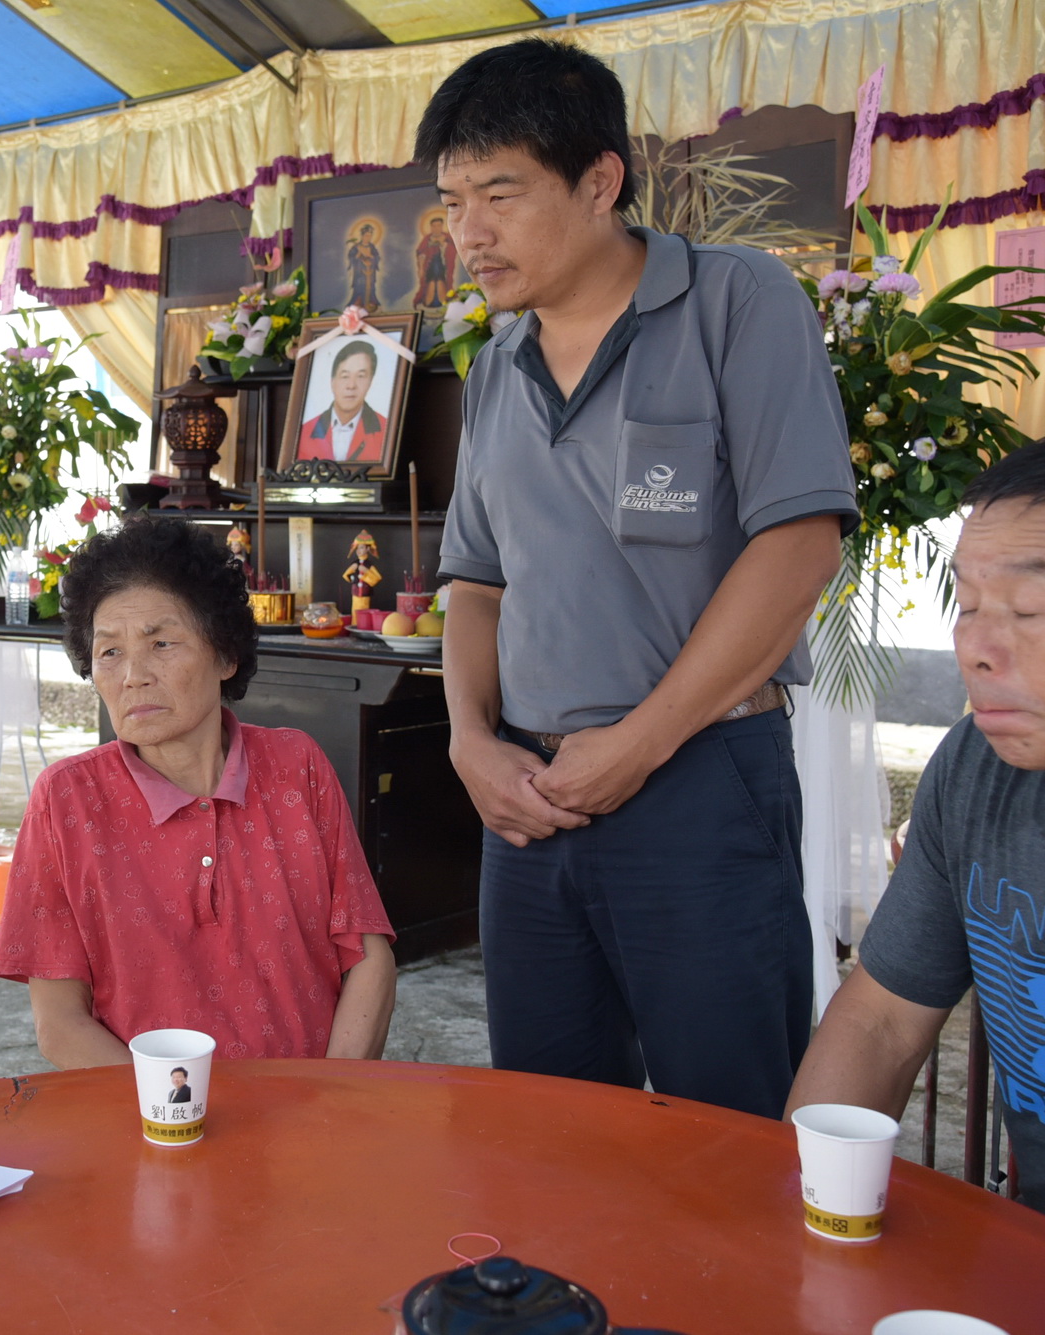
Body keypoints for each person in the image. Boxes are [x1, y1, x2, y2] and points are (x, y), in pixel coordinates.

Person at [420, 39, 855, 1120]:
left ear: (599, 181)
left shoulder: (733, 303)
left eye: (498, 194)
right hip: (528, 802)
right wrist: (467, 741)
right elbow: (474, 582)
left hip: (699, 785)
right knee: (547, 1119)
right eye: (451, 200)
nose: (465, 233)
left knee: (727, 1123)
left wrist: (641, 743)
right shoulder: (495, 367)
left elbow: (799, 542)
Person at [788, 426, 1045, 1245]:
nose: (978, 648)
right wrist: (801, 1216)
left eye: (1029, 611)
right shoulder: (978, 768)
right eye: (966, 606)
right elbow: (882, 1021)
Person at [0, 517, 398, 1065]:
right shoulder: (67, 799)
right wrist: (174, 1114)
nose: (133, 673)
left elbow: (367, 956)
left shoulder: (295, 764)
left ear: (225, 656)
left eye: (161, 643)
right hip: (152, 1120)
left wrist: (328, 1100)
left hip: (311, 1111)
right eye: (109, 652)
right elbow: (60, 1022)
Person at [297, 341, 388, 466]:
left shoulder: (387, 432)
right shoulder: (304, 432)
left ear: (370, 381)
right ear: (332, 382)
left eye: (361, 376)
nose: (351, 385)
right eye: (345, 376)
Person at [415, 215, 456, 307]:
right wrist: (421, 268)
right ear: (431, 227)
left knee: (442, 282)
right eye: (434, 226)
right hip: (430, 268)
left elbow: (452, 251)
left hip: (443, 267)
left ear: (442, 226)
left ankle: (444, 304)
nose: (436, 228)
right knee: (431, 283)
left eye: (438, 225)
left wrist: (443, 244)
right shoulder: (427, 239)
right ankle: (428, 303)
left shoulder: (447, 237)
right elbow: (421, 253)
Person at [346, 222, 383, 310]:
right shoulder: (356, 247)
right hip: (360, 273)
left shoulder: (372, 246)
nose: (368, 238)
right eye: (366, 235)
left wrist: (371, 256)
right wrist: (359, 254)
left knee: (371, 287)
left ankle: (371, 302)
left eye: (370, 236)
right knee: (359, 286)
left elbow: (377, 257)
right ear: (362, 236)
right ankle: (359, 303)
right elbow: (351, 257)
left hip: (370, 272)